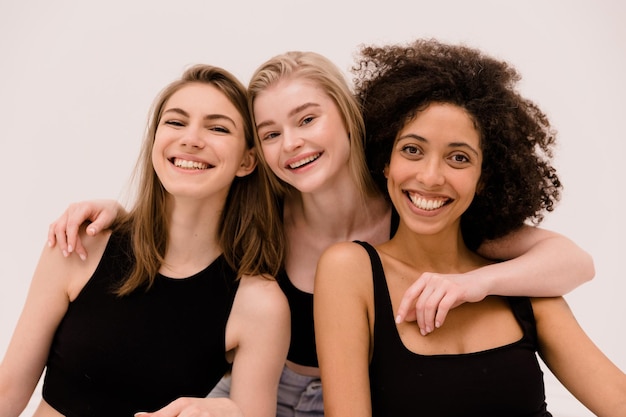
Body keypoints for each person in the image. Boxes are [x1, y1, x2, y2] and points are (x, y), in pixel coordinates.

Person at [46, 51, 595, 417]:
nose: (292, 144)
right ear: (255, 153)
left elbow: (573, 262)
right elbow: (184, 216)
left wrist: (476, 284)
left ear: (350, 118)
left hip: (367, 397)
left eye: (308, 120)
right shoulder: (261, 218)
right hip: (256, 394)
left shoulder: (416, 206)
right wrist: (119, 215)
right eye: (270, 133)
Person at [314, 39, 626, 416]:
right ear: (385, 160)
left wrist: (477, 284)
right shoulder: (350, 270)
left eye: (458, 158)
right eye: (412, 150)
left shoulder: (521, 285)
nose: (430, 177)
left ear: (483, 178)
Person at [0, 64, 290, 417]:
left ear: (247, 161)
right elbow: (8, 392)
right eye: (176, 122)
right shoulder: (80, 245)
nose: (191, 139)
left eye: (217, 128)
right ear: (155, 141)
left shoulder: (260, 305)